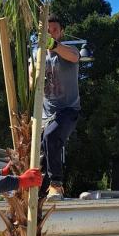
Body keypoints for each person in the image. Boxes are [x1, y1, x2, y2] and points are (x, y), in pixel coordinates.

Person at [40, 15, 81, 200]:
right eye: (47, 30)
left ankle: (57, 184)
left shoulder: (68, 50)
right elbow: (33, 80)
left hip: (68, 111)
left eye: (54, 30)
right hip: (45, 116)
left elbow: (74, 57)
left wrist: (54, 45)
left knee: (51, 136)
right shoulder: (37, 56)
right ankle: (40, 192)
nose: (51, 33)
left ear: (61, 31)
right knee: (40, 153)